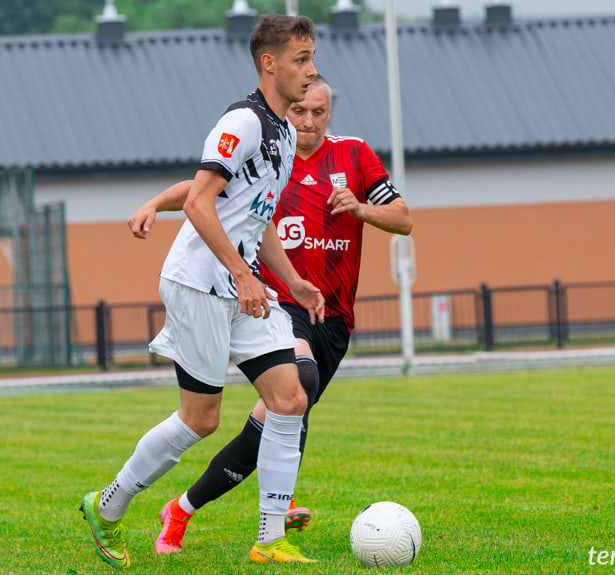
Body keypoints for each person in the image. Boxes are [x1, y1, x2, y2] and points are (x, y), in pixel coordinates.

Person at [128, 74, 413, 555]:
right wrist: (156, 203)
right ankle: (274, 521)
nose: (307, 121)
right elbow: (202, 190)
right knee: (294, 386)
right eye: (301, 111)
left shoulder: (355, 155)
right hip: (276, 301)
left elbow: (403, 219)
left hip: (333, 314)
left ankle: (181, 510)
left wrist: (361, 210)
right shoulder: (269, 146)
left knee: (272, 422)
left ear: (329, 112)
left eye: (318, 113)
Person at [80, 14, 323, 568]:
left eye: (311, 58)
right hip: (199, 284)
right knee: (200, 419)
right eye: (301, 59)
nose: (311, 70)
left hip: (243, 286)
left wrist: (292, 281)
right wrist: (243, 274)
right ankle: (107, 505)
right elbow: (199, 200)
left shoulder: (284, 131)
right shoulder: (243, 120)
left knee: (290, 397)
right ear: (270, 63)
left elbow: (253, 217)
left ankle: (270, 539)